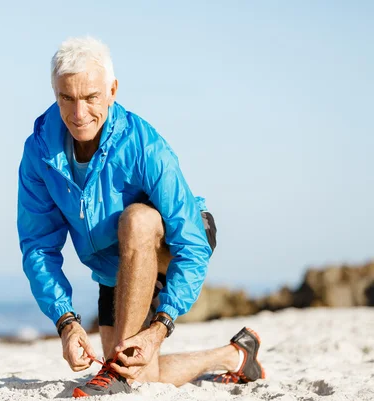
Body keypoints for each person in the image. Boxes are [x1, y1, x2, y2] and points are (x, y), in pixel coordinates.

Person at [17, 36, 265, 397]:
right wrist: (66, 322)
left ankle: (125, 368)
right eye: (66, 98)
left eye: (91, 97)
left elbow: (192, 244)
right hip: (116, 264)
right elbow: (38, 245)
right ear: (55, 93)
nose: (78, 113)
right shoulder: (39, 151)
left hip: (178, 238)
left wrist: (160, 326)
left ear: (112, 90)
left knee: (137, 219)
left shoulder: (144, 145)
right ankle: (236, 355)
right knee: (137, 371)